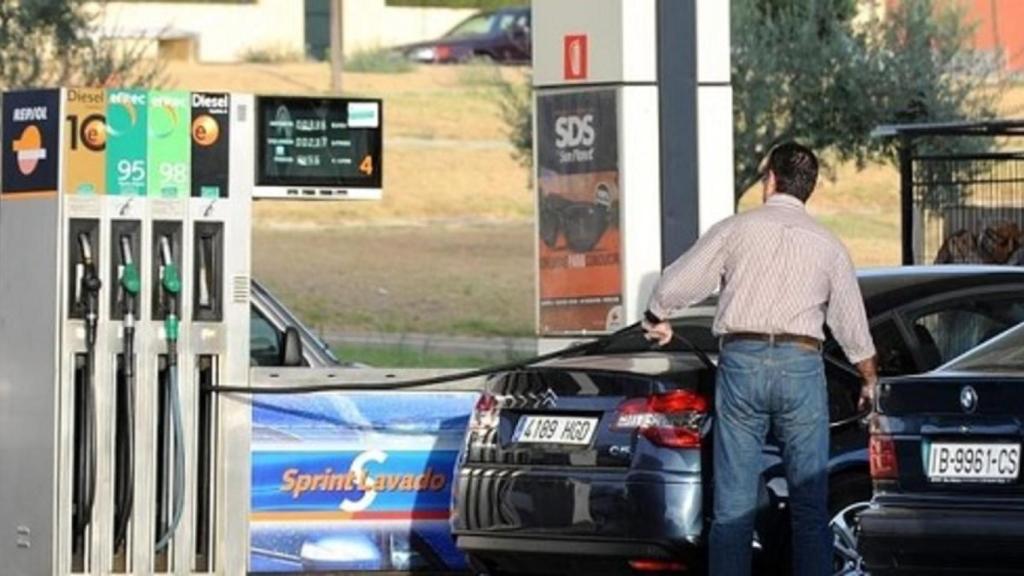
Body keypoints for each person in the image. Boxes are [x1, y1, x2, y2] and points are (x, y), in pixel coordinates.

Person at [642, 143, 878, 576]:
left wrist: (658, 316)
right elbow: (851, 326)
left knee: (732, 509)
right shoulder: (829, 245)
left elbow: (677, 284)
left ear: (771, 179)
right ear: (808, 188)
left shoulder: (736, 229)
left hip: (742, 364)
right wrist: (868, 378)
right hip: (802, 366)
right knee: (810, 508)